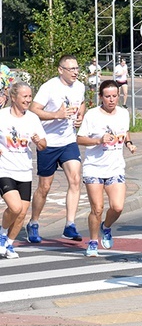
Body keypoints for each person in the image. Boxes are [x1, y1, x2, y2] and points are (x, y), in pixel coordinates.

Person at [26, 55, 86, 243]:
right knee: (44, 187)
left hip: (68, 141)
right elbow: (34, 109)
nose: (76, 72)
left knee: (75, 179)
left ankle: (70, 224)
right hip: (48, 142)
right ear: (61, 70)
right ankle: (34, 223)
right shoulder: (49, 87)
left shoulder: (80, 86)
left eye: (77, 68)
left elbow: (82, 103)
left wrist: (80, 116)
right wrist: (56, 115)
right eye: (72, 69)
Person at [76, 80, 137, 257]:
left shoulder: (124, 113)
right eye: (107, 96)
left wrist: (129, 143)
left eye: (114, 96)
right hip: (94, 167)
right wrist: (98, 140)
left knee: (117, 207)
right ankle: (93, 242)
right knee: (97, 208)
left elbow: (125, 131)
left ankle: (106, 226)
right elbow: (80, 139)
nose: (111, 100)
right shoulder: (92, 115)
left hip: (115, 167)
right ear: (101, 97)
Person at [0, 82, 47, 259]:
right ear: (14, 98)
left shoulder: (33, 119)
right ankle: (2, 234)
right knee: (15, 206)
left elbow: (43, 145)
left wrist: (38, 141)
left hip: (24, 170)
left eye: (29, 96)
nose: (28, 100)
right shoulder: (2, 116)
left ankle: (9, 244)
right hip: (4, 168)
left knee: (21, 213)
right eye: (25, 96)